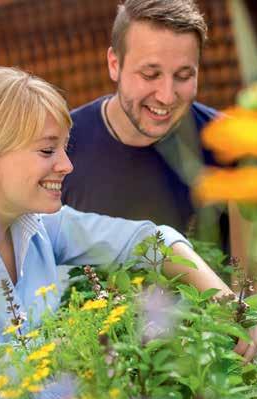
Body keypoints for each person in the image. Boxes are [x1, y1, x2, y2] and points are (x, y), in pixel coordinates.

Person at [0, 67, 257, 399]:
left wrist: (225, 299)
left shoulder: (38, 223)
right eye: (48, 150)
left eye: (64, 147)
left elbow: (146, 240)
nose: (67, 165)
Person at [62, 0, 228, 249]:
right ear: (114, 65)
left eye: (184, 76)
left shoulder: (230, 144)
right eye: (150, 75)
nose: (167, 96)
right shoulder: (59, 146)